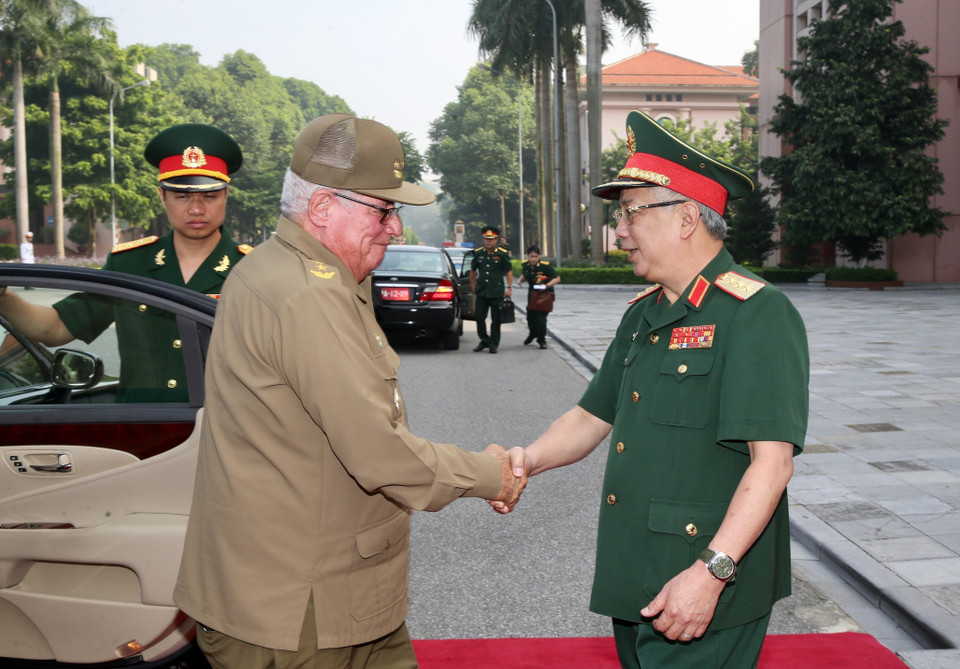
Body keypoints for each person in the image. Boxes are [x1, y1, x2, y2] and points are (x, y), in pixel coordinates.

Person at [173, 114, 527, 669]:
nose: (396, 229)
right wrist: (492, 476)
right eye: (384, 211)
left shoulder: (302, 273)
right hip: (299, 613)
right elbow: (377, 452)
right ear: (321, 208)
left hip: (332, 594)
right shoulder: (306, 295)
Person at [500, 110, 809, 669]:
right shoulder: (645, 314)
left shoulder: (757, 314)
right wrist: (526, 461)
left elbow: (772, 465)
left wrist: (710, 574)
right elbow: (591, 417)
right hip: (637, 574)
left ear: (687, 217)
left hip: (704, 584)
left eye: (631, 213)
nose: (619, 231)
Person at [0, 123, 249, 402]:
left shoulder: (252, 269)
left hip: (222, 433)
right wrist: (5, 296)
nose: (196, 209)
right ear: (161, 196)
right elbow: (54, 328)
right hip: (140, 433)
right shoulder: (130, 264)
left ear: (226, 194)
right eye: (182, 196)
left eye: (210, 196)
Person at [470, 224, 513, 354]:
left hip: (496, 292)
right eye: (486, 239)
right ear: (483, 240)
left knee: (496, 320)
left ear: (496, 240)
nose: (488, 241)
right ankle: (485, 340)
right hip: (482, 291)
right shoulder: (478, 253)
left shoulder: (502, 254)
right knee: (479, 318)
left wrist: (509, 287)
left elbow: (508, 271)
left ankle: (493, 344)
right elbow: (472, 270)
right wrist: (473, 285)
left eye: (491, 239)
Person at [518, 244, 560, 349]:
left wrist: (546, 285)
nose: (533, 259)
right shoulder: (525, 265)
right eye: (531, 256)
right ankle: (532, 334)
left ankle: (542, 340)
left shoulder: (545, 266)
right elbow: (525, 274)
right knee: (530, 318)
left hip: (545, 295)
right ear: (527, 256)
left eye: (536, 256)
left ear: (539, 256)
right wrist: (520, 280)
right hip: (532, 295)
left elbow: (557, 278)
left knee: (541, 320)